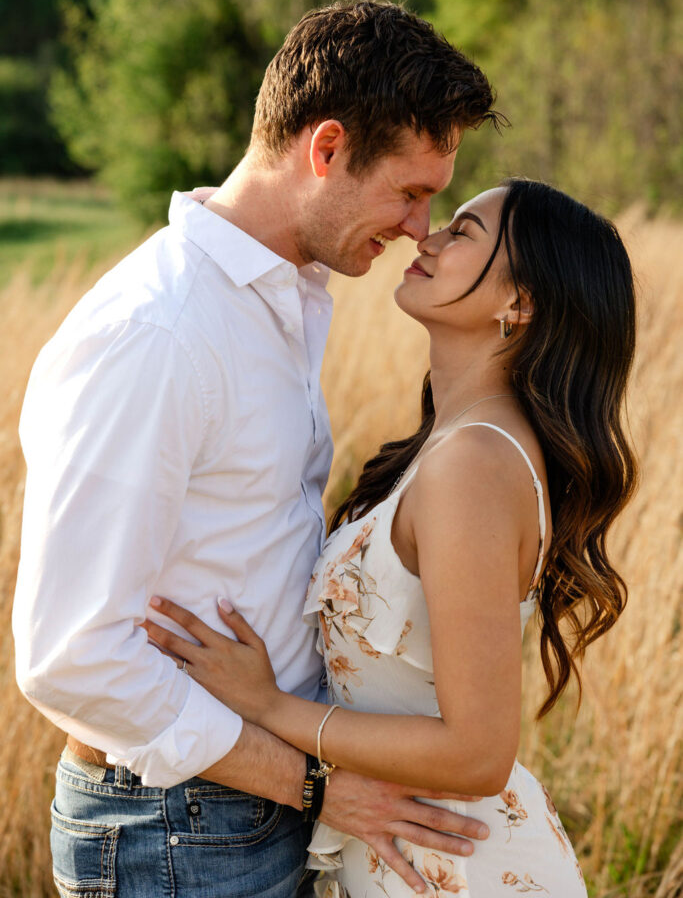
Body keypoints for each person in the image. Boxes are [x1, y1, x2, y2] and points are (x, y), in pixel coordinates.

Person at [12, 0, 501, 898]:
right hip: (175, 828)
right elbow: (70, 654)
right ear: (325, 150)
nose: (418, 229)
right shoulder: (159, 332)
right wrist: (308, 783)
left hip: (237, 808)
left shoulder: (284, 297)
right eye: (409, 190)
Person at [142, 178, 637, 896]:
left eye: (464, 232)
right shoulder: (462, 444)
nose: (426, 236)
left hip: (456, 865)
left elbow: (477, 753)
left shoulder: (472, 463)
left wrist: (269, 707)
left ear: (518, 304)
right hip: (411, 844)